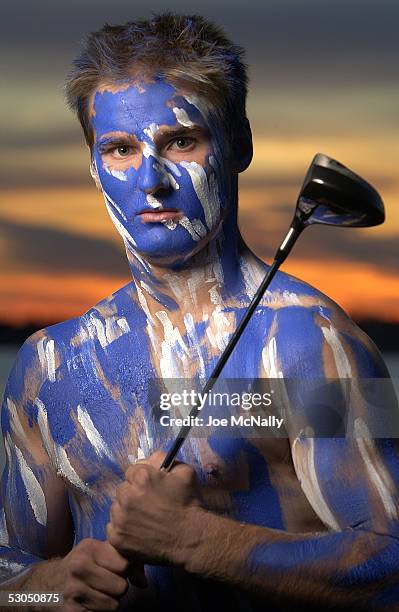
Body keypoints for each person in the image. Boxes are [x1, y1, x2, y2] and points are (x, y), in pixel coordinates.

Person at [0, 12, 398, 612]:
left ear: (239, 145)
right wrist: (44, 590)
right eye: (120, 149)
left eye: (181, 141)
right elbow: (12, 578)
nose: (150, 181)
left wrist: (196, 540)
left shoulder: (308, 344)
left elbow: (392, 565)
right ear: (93, 164)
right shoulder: (50, 366)